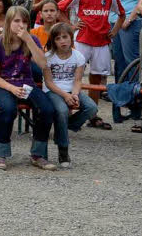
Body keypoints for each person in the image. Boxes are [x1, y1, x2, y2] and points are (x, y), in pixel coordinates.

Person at [0, 6, 56, 171]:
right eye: (17, 21)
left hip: (26, 83)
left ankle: (38, 155)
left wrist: (29, 40)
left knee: (47, 109)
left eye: (25, 21)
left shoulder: (31, 39)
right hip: (3, 85)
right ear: (9, 22)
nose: (21, 25)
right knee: (9, 109)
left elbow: (43, 64)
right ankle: (1, 154)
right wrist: (11, 88)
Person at [58, 0, 124, 117]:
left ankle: (92, 115)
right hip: (82, 39)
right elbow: (60, 8)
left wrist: (114, 31)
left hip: (101, 42)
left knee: (96, 78)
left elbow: (122, 14)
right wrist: (71, 26)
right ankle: (69, 111)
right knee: (73, 75)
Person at [41, 22, 99, 168]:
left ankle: (65, 126)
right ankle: (63, 150)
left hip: (71, 89)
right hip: (53, 90)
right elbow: (48, 83)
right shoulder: (48, 57)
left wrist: (75, 95)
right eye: (58, 38)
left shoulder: (78, 56)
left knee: (91, 107)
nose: (63, 41)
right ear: (53, 41)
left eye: (65, 37)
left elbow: (78, 80)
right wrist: (65, 96)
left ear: (71, 38)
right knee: (61, 110)